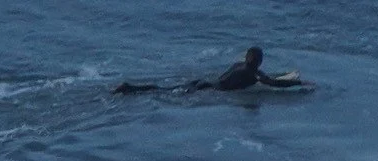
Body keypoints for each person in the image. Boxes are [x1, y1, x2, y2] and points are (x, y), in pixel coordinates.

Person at [115, 47, 308, 96]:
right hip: (208, 90)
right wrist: (300, 83)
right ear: (259, 61)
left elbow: (267, 78)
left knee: (164, 89)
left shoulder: (238, 65)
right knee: (164, 92)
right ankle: (131, 90)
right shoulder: (253, 73)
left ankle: (131, 88)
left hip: (203, 83)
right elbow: (273, 83)